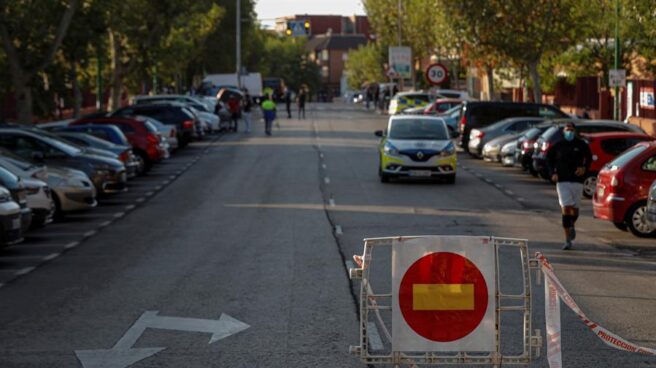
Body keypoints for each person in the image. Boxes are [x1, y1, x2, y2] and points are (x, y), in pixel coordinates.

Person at [546, 122, 592, 250]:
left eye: (571, 130)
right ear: (564, 131)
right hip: (562, 180)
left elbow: (589, 158)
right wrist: (553, 173)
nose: (569, 132)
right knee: (566, 208)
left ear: (575, 131)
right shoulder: (558, 145)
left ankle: (571, 224)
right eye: (567, 130)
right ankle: (567, 240)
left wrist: (584, 168)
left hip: (577, 180)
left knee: (574, 210)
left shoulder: (581, 144)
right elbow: (549, 159)